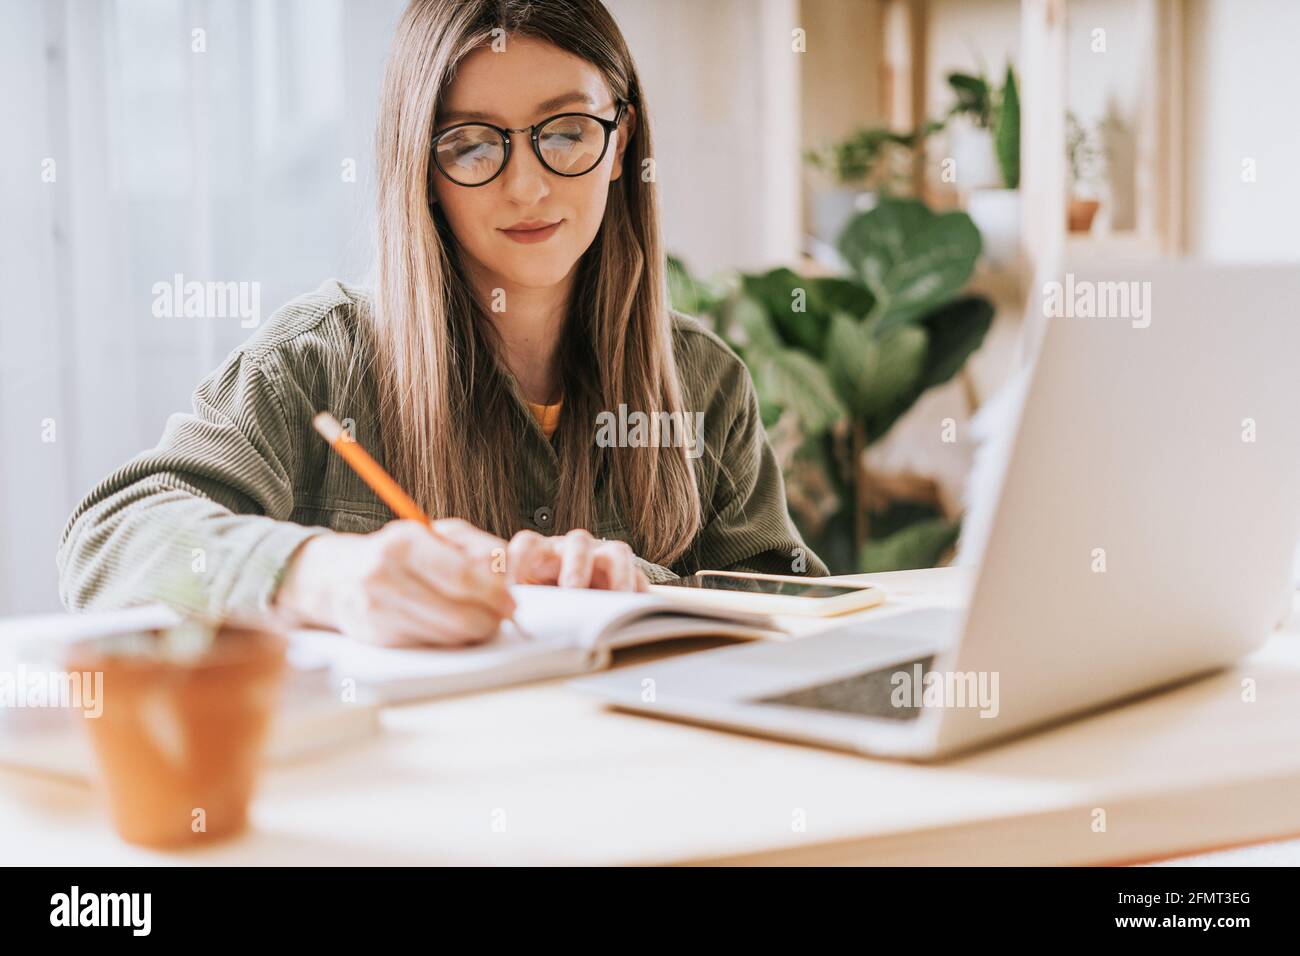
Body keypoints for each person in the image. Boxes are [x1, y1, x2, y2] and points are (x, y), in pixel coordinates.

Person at [57, 0, 825, 647]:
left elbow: (796, 615)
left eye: (565, 131)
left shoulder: (705, 381)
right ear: (422, 169)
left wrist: (644, 589)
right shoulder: (315, 365)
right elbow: (107, 545)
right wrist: (323, 575)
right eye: (470, 144)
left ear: (620, 143)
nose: (526, 187)